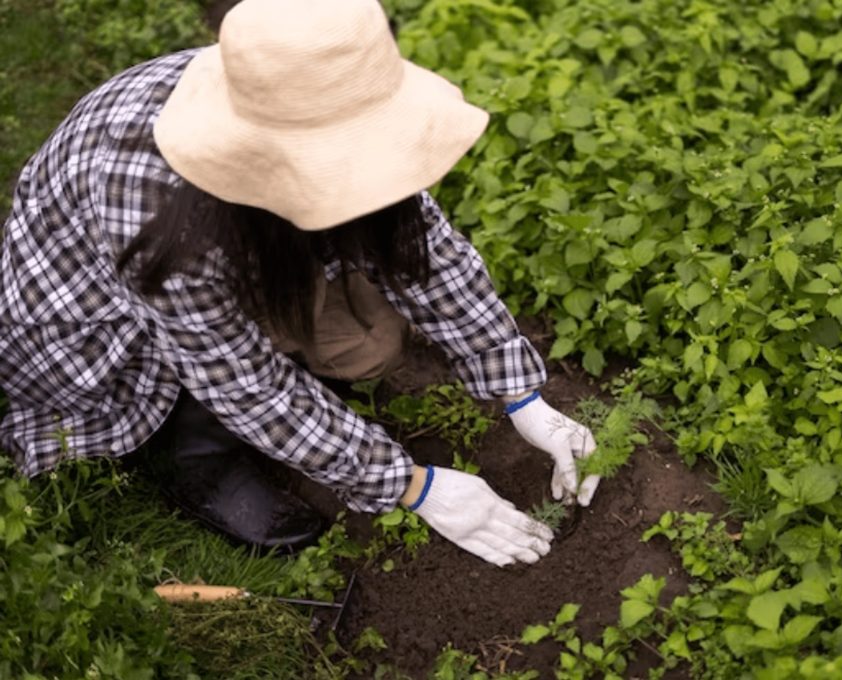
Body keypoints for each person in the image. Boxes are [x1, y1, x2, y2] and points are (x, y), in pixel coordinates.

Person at [0, 0, 601, 567]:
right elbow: (243, 383)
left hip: (241, 251)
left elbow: (429, 254)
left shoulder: (312, 87)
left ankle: (300, 406)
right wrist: (415, 487)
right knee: (233, 379)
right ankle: (199, 463)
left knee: (368, 345)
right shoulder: (158, 207)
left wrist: (522, 396)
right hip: (93, 321)